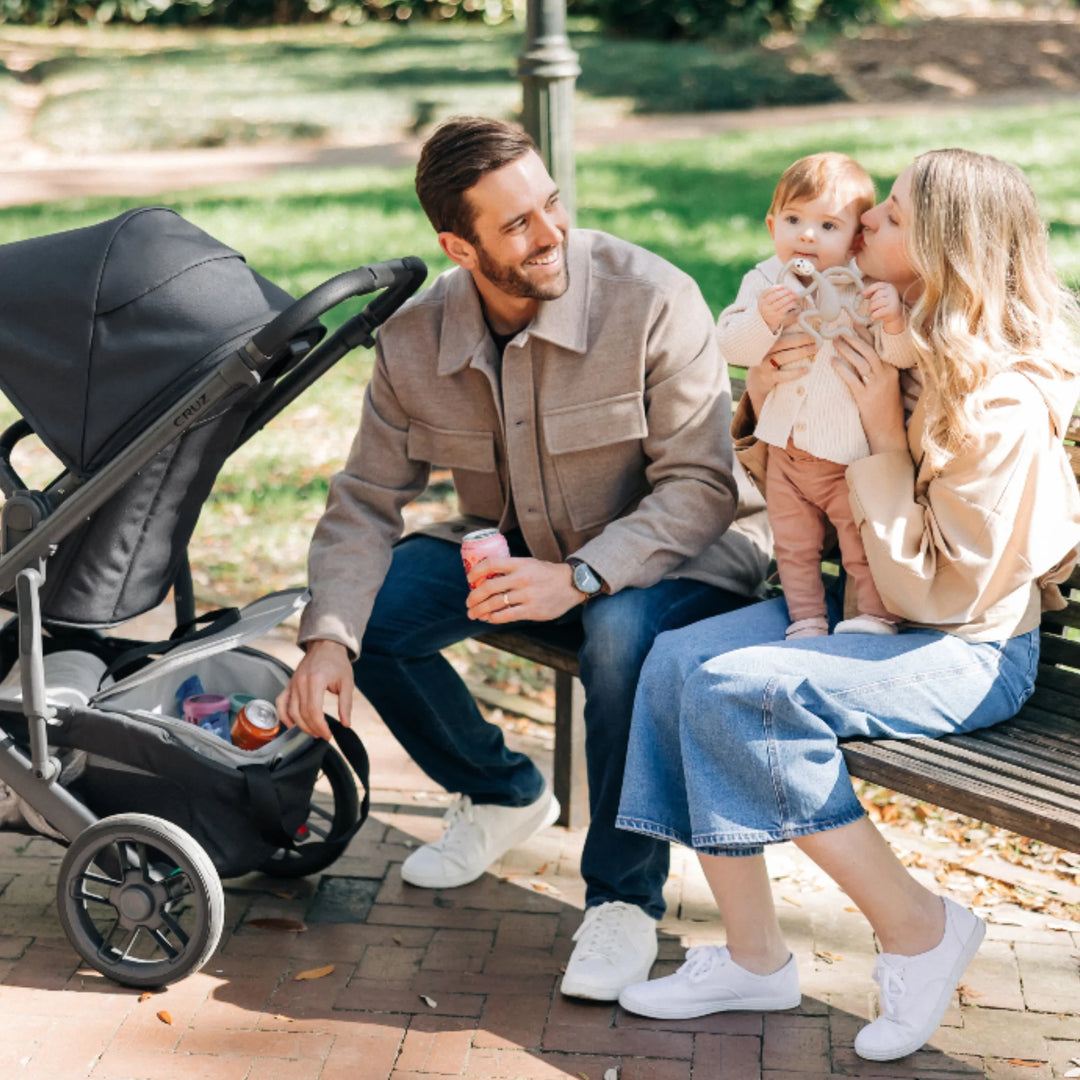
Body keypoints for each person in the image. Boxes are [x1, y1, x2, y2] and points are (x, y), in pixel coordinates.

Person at [275, 116, 771, 1001]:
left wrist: (577, 577)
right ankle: (502, 791)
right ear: (458, 247)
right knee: (373, 617)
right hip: (533, 553)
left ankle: (623, 901)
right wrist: (327, 641)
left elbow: (702, 486)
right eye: (517, 226)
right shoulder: (414, 342)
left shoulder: (651, 298)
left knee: (620, 634)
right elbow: (365, 500)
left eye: (551, 206)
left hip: (689, 556)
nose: (552, 237)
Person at [614, 148, 1080, 1060]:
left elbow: (936, 588)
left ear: (946, 252)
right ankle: (754, 958)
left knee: (733, 687)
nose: (865, 223)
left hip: (966, 647)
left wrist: (876, 431)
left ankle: (920, 929)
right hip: (870, 610)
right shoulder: (885, 330)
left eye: (894, 218)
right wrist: (770, 385)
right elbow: (786, 479)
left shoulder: (999, 401)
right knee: (672, 662)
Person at [716, 152, 918, 640]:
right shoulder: (765, 280)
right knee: (793, 546)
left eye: (827, 225)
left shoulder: (867, 286)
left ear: (855, 239)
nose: (806, 236)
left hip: (847, 458)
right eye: (793, 220)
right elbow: (727, 344)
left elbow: (901, 356)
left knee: (859, 540)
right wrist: (762, 320)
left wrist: (893, 321)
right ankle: (805, 620)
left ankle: (873, 617)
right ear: (771, 226)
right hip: (786, 453)